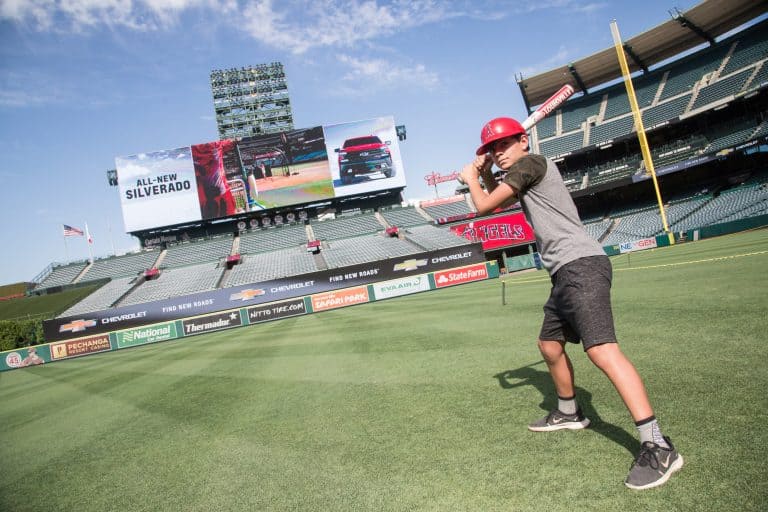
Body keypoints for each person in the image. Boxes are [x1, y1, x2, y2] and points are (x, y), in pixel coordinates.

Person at [460, 117, 683, 490]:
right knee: (548, 345)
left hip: (580, 265)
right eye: (491, 149)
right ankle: (569, 411)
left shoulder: (531, 163)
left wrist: (471, 177)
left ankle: (658, 445)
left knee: (602, 351)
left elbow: (482, 207)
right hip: (564, 273)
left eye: (503, 144)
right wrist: (484, 177)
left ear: (523, 141)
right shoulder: (521, 173)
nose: (498, 152)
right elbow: (496, 204)